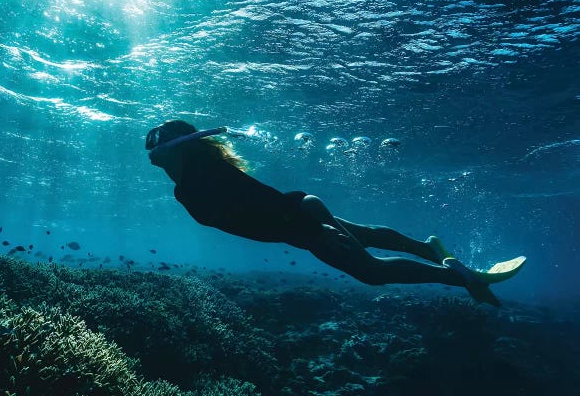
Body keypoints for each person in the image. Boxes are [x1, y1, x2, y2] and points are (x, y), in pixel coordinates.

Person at [146, 120, 524, 307]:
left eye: (160, 150)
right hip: (299, 218)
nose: (154, 157)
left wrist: (316, 229)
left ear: (182, 149)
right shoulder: (187, 187)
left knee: (371, 272)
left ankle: (467, 279)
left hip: (299, 220)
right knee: (366, 234)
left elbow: (258, 202)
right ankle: (429, 248)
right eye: (153, 154)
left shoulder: (205, 177)